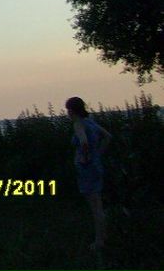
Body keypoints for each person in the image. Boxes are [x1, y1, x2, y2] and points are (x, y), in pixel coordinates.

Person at [65, 96, 111, 251]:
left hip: (87, 169)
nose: (68, 113)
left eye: (68, 110)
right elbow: (108, 137)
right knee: (99, 204)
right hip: (96, 166)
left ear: (72, 110)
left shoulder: (78, 124)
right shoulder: (90, 123)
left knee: (95, 206)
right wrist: (97, 154)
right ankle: (103, 236)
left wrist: (85, 159)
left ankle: (99, 242)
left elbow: (83, 142)